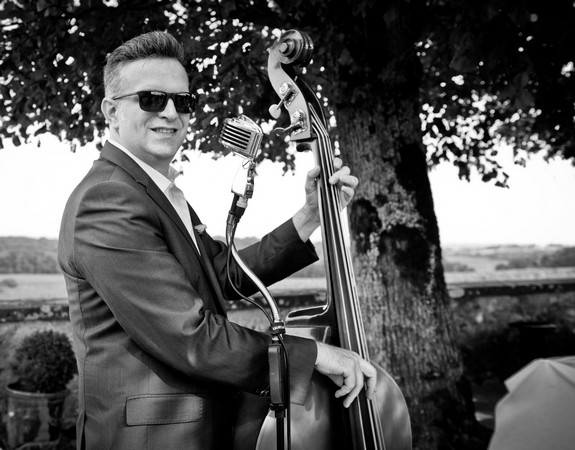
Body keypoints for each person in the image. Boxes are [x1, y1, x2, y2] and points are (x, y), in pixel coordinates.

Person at [58, 31, 376, 450]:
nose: (171, 113)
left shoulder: (152, 191)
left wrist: (311, 215)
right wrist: (313, 355)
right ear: (111, 111)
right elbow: (187, 334)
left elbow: (223, 275)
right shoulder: (108, 198)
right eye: (152, 99)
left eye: (183, 101)